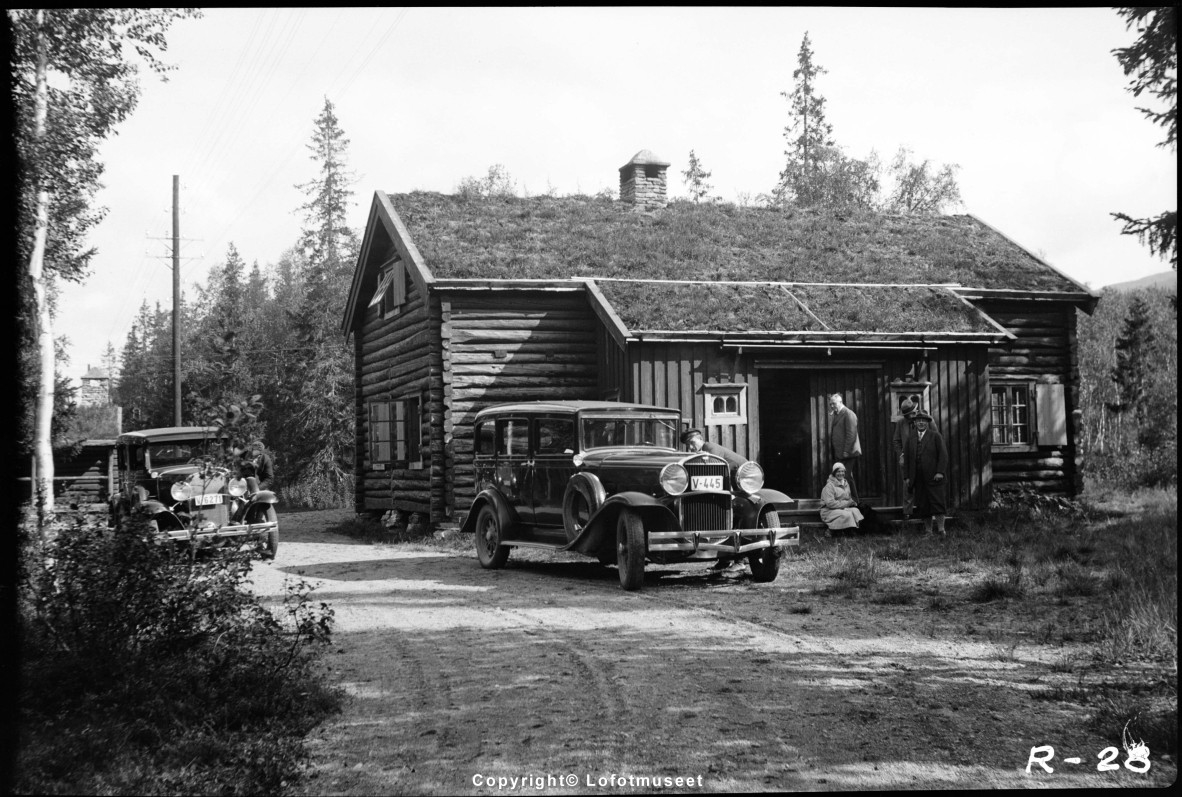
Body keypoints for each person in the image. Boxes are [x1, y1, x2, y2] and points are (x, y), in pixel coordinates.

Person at [680, 428, 746, 572]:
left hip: (741, 482)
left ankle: (740, 560)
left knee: (734, 517)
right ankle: (724, 561)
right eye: (688, 446)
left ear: (700, 439)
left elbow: (713, 470)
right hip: (730, 483)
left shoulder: (710, 448)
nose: (690, 448)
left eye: (692, 443)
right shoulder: (704, 450)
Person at [903, 411, 949, 535]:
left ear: (928, 423)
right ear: (915, 423)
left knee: (938, 504)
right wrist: (907, 476)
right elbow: (906, 459)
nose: (921, 423)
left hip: (934, 478)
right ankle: (928, 531)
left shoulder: (935, 436)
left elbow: (943, 456)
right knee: (924, 506)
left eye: (924, 421)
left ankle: (941, 530)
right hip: (918, 478)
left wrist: (940, 472)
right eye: (918, 421)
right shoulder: (911, 438)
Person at [828, 393, 861, 490]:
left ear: (840, 402)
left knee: (843, 478)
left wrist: (846, 451)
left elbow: (852, 434)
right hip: (841, 453)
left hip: (848, 453)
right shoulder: (837, 414)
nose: (832, 406)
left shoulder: (848, 414)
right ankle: (854, 501)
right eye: (830, 404)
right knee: (847, 478)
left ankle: (848, 501)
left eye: (834, 404)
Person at [820, 462, 863, 532]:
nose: (841, 474)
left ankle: (852, 530)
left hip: (842, 508)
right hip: (828, 511)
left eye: (842, 471)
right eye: (838, 471)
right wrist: (847, 503)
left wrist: (852, 502)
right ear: (834, 473)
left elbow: (848, 498)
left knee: (856, 511)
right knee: (847, 515)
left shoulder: (846, 484)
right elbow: (830, 503)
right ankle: (831, 530)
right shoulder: (829, 486)